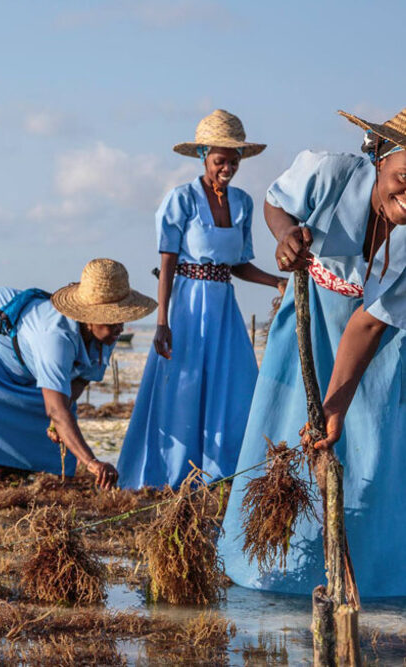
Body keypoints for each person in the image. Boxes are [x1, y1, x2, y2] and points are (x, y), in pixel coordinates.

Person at [219, 108, 406, 598]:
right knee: (288, 443)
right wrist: (285, 237)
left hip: (374, 352)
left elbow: (369, 322)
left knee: (371, 459)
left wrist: (335, 405)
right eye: (403, 178)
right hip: (307, 327)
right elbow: (275, 202)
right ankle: (273, 572)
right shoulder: (328, 173)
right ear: (380, 158)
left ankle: (374, 580)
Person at [117, 109, 286, 490]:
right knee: (181, 386)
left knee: (234, 384)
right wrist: (163, 322)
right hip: (187, 305)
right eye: (219, 161)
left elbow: (239, 264)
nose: (227, 168)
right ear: (203, 157)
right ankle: (172, 475)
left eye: (233, 161)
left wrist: (276, 282)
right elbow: (169, 261)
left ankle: (224, 471)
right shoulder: (181, 200)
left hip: (224, 306)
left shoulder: (242, 203)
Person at [0, 258, 156, 488]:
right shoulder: (55, 339)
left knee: (50, 410)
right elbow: (56, 409)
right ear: (89, 317)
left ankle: (18, 469)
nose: (119, 327)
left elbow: (78, 382)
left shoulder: (108, 334)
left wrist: (54, 424)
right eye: (111, 319)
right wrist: (91, 462)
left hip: (24, 352)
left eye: (121, 318)